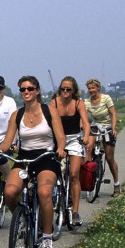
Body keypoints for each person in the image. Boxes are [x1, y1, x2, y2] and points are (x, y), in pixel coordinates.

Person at [0, 76, 66, 248]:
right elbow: (8, 141)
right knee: (9, 192)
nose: (26, 92)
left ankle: (47, 237)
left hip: (47, 156)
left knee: (44, 192)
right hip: (25, 157)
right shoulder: (17, 115)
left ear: (37, 91)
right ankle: (23, 218)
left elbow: (61, 137)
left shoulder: (49, 111)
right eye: (23, 89)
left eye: (30, 89)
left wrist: (61, 149)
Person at [51, 76, 92, 226]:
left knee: (74, 175)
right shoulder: (54, 102)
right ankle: (55, 202)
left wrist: (86, 136)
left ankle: (75, 211)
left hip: (74, 140)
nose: (65, 91)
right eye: (63, 89)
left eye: (68, 89)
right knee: (54, 174)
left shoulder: (78, 103)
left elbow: (86, 123)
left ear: (74, 90)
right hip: (58, 140)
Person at [84, 78, 120, 195]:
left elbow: (113, 114)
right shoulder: (87, 102)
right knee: (88, 148)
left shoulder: (106, 98)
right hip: (95, 126)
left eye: (93, 88)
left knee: (109, 158)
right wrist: (82, 127)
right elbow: (83, 117)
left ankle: (116, 184)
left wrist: (113, 128)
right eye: (89, 89)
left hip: (107, 126)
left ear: (98, 88)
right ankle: (88, 179)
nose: (91, 90)